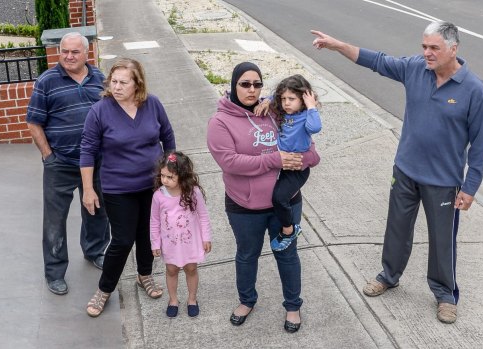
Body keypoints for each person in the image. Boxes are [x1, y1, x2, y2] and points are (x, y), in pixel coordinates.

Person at [312, 21, 483, 324]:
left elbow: (481, 144)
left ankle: (445, 294)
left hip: (444, 181)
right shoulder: (415, 68)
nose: (427, 53)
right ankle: (389, 275)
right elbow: (377, 61)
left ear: (453, 49)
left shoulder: (474, 90)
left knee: (442, 240)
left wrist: (470, 187)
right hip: (406, 170)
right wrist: (338, 45)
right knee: (397, 228)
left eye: (434, 48)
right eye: (424, 46)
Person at [207, 62, 320, 333]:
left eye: (257, 84)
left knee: (288, 255)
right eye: (245, 84)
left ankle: (293, 306)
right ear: (233, 85)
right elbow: (230, 162)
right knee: (247, 255)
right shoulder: (220, 122)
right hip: (244, 206)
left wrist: (299, 160)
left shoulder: (275, 113)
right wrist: (275, 160)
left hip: (285, 202)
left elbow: (312, 155)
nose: (252, 90)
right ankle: (247, 300)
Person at [80, 57, 176, 317]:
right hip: (118, 188)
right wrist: (88, 190)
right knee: (122, 240)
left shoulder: (152, 104)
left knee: (148, 234)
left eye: (124, 82)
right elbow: (87, 152)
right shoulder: (100, 111)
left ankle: (144, 275)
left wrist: (171, 170)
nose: (117, 87)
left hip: (153, 185)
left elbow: (167, 137)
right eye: (114, 81)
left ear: (137, 84)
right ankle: (104, 289)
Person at [26, 31, 110, 296]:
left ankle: (95, 251)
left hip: (96, 162)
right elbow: (33, 121)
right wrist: (48, 156)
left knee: (97, 209)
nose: (69, 56)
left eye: (75, 52)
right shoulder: (47, 81)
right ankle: (54, 272)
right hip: (60, 163)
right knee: (55, 220)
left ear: (87, 53)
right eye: (64, 51)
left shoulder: (100, 79)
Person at [150, 151, 212, 318]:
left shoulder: (193, 192)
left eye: (170, 177)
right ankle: (173, 300)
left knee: (191, 268)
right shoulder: (158, 196)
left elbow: (203, 215)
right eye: (163, 176)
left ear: (182, 176)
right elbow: (154, 221)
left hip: (190, 242)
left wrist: (206, 237)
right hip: (169, 244)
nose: (164, 180)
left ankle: (192, 299)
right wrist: (155, 243)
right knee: (171, 270)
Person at [268, 74, 322, 252]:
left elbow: (315, 128)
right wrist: (267, 101)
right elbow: (273, 97)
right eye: (283, 99)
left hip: (297, 169)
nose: (286, 103)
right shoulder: (283, 112)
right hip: (282, 165)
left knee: (279, 197)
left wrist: (311, 106)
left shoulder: (307, 117)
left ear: (303, 99)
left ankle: (289, 229)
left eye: (291, 99)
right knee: (276, 195)